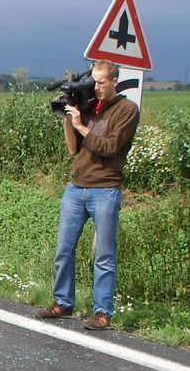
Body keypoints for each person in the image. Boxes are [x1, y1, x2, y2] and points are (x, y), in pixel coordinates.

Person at [36, 60, 139, 330]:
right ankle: (62, 302)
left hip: (105, 189)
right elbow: (73, 150)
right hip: (76, 187)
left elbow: (109, 147)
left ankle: (102, 312)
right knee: (63, 250)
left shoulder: (127, 110)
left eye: (102, 82)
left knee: (104, 255)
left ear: (114, 81)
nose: (97, 87)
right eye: (94, 82)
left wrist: (82, 125)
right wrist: (68, 119)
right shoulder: (88, 107)